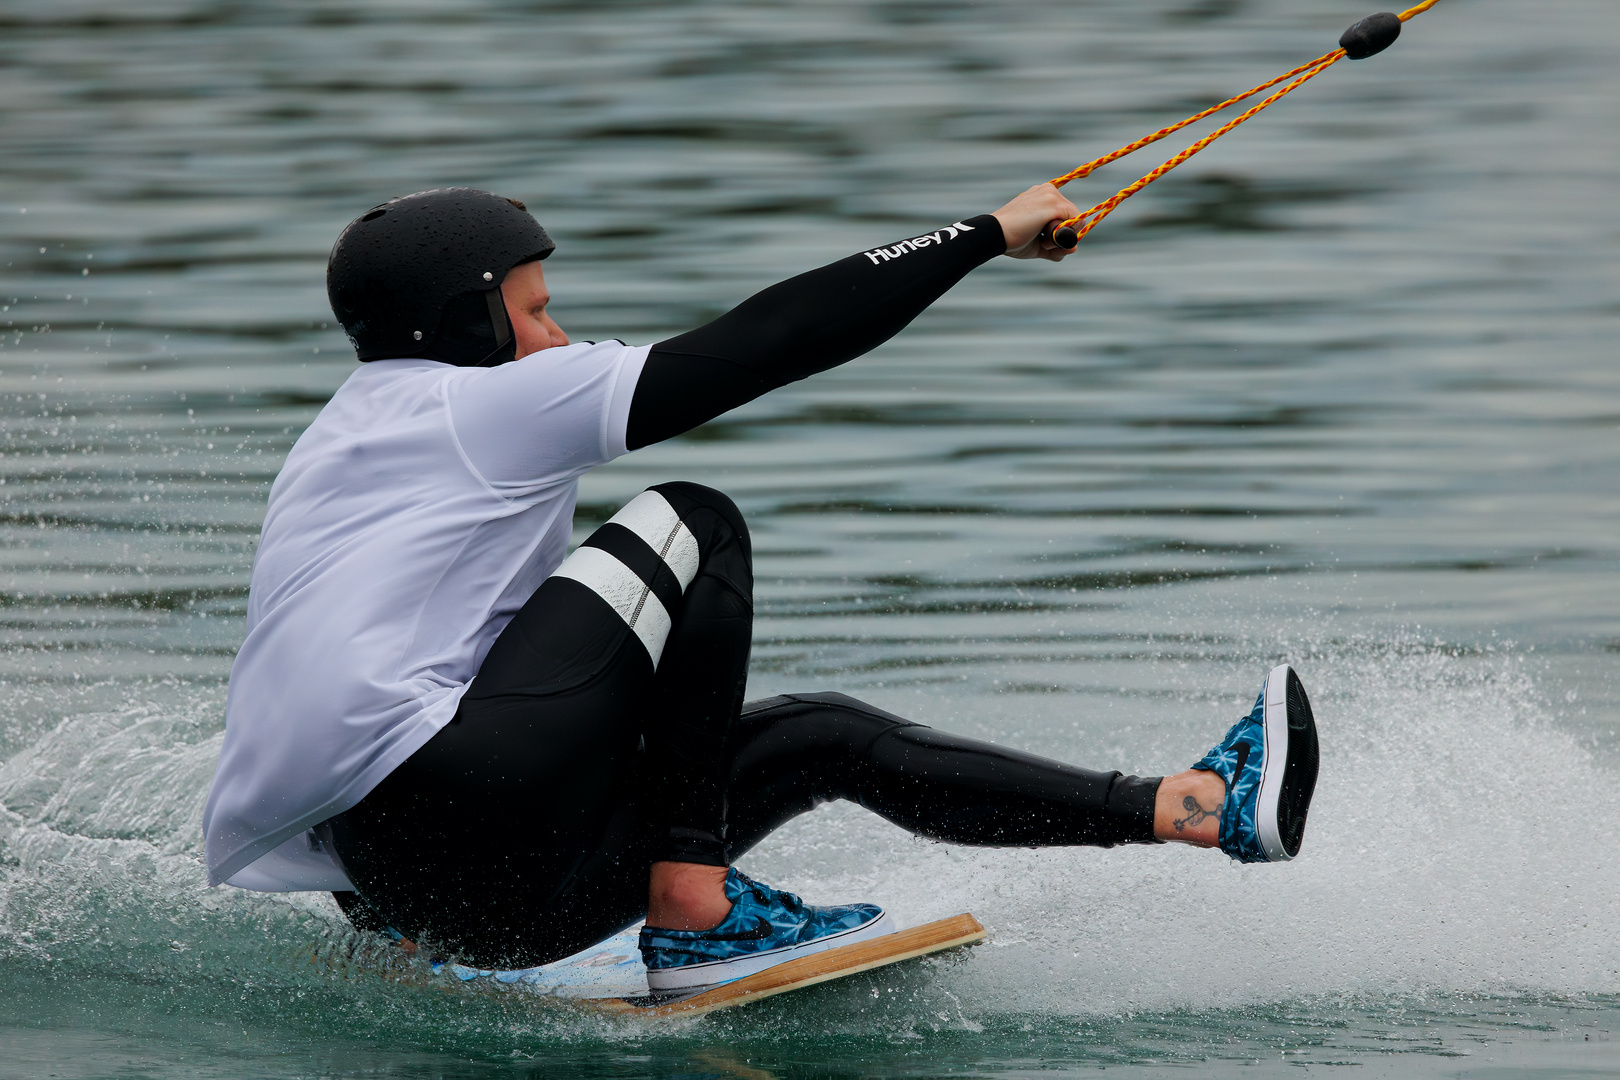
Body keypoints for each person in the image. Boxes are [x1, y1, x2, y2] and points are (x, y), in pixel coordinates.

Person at [201, 185, 1319, 993]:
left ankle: (1187, 808)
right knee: (693, 520)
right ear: (469, 323)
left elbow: (332, 704)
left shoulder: (340, 447)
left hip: (440, 893)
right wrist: (985, 234)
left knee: (820, 736)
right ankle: (694, 906)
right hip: (474, 824)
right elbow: (766, 343)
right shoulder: (469, 402)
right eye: (539, 312)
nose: (562, 335)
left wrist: (406, 912)